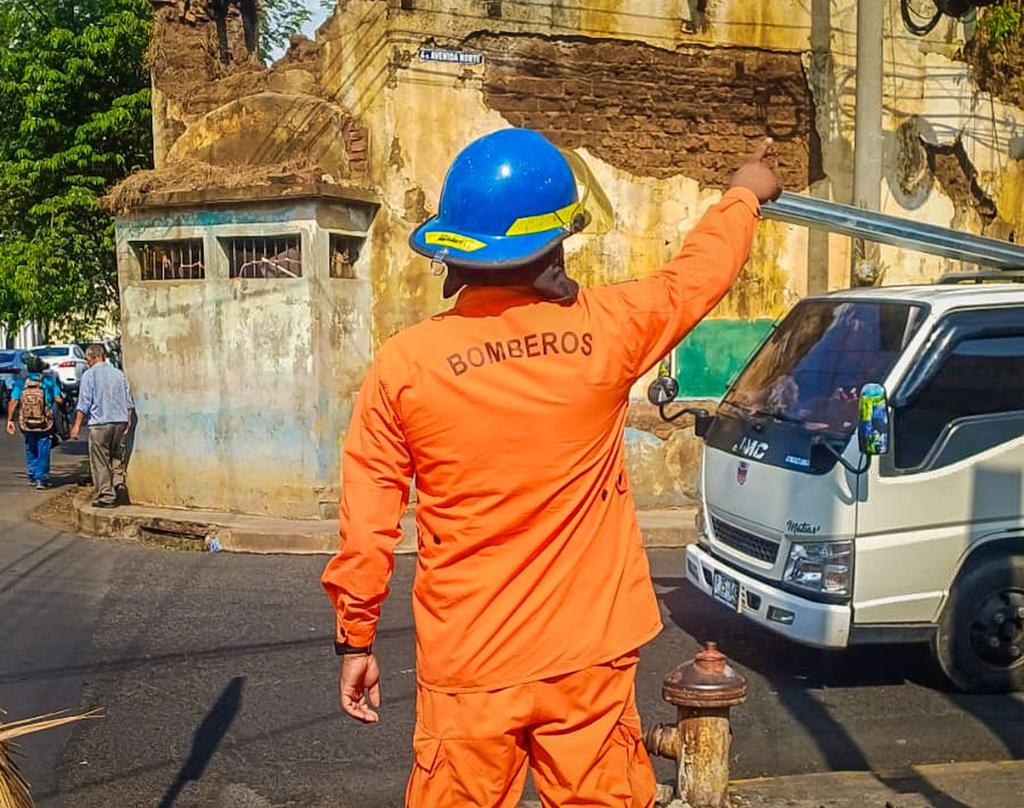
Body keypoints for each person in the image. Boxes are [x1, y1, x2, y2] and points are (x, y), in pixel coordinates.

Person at [321, 128, 781, 807]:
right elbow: (695, 277)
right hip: (588, 662)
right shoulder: (608, 329)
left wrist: (354, 638)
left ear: (456, 252)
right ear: (553, 245)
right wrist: (744, 193)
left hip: (469, 668)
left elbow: (368, 522)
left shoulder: (406, 366)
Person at [71, 343, 134, 508]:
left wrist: (76, 425)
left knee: (100, 460)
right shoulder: (119, 374)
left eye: (88, 360)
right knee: (116, 457)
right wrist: (128, 421)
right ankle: (119, 484)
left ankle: (107, 495)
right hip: (119, 422)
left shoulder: (89, 375)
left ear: (92, 358)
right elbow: (128, 402)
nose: (88, 363)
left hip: (100, 424)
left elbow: (84, 402)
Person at [6, 354, 64, 489]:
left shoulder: (21, 383)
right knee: (43, 447)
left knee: (30, 446)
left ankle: (32, 474)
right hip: (45, 422)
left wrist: (10, 420)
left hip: (26, 422)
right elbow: (58, 399)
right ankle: (41, 478)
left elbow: (13, 401)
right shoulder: (49, 381)